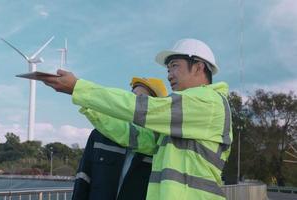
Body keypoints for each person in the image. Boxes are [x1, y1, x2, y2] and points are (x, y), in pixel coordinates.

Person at [40, 38, 233, 200]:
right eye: (167, 69)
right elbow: (135, 136)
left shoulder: (207, 102)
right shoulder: (181, 121)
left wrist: (79, 88)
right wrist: (90, 106)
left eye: (174, 66)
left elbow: (140, 108)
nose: (169, 75)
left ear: (199, 67)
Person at [72, 77, 168, 200]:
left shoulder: (159, 145)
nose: (134, 104)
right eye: (132, 97)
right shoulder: (99, 135)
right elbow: (83, 177)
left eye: (142, 101)